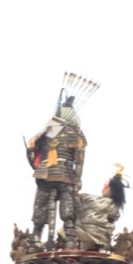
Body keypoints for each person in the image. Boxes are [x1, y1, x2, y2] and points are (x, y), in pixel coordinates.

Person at [27, 92, 86, 246]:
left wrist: (34, 162)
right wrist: (78, 179)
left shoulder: (51, 130)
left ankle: (36, 234)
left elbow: (32, 148)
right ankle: (70, 236)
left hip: (45, 173)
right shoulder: (76, 134)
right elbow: (79, 161)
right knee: (67, 202)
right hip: (66, 174)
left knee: (41, 202)